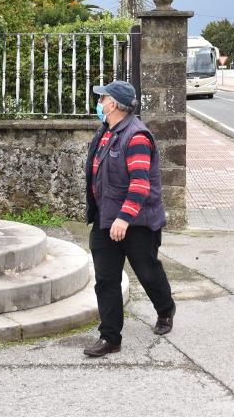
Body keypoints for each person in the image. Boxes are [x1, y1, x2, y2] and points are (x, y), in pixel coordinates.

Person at [82, 80, 176, 358]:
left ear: (114, 105)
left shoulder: (136, 137)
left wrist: (123, 218)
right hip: (105, 219)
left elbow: (140, 184)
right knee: (106, 279)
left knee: (147, 271)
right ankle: (110, 337)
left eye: (103, 99)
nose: (99, 103)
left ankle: (165, 309)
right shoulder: (105, 132)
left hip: (137, 223)